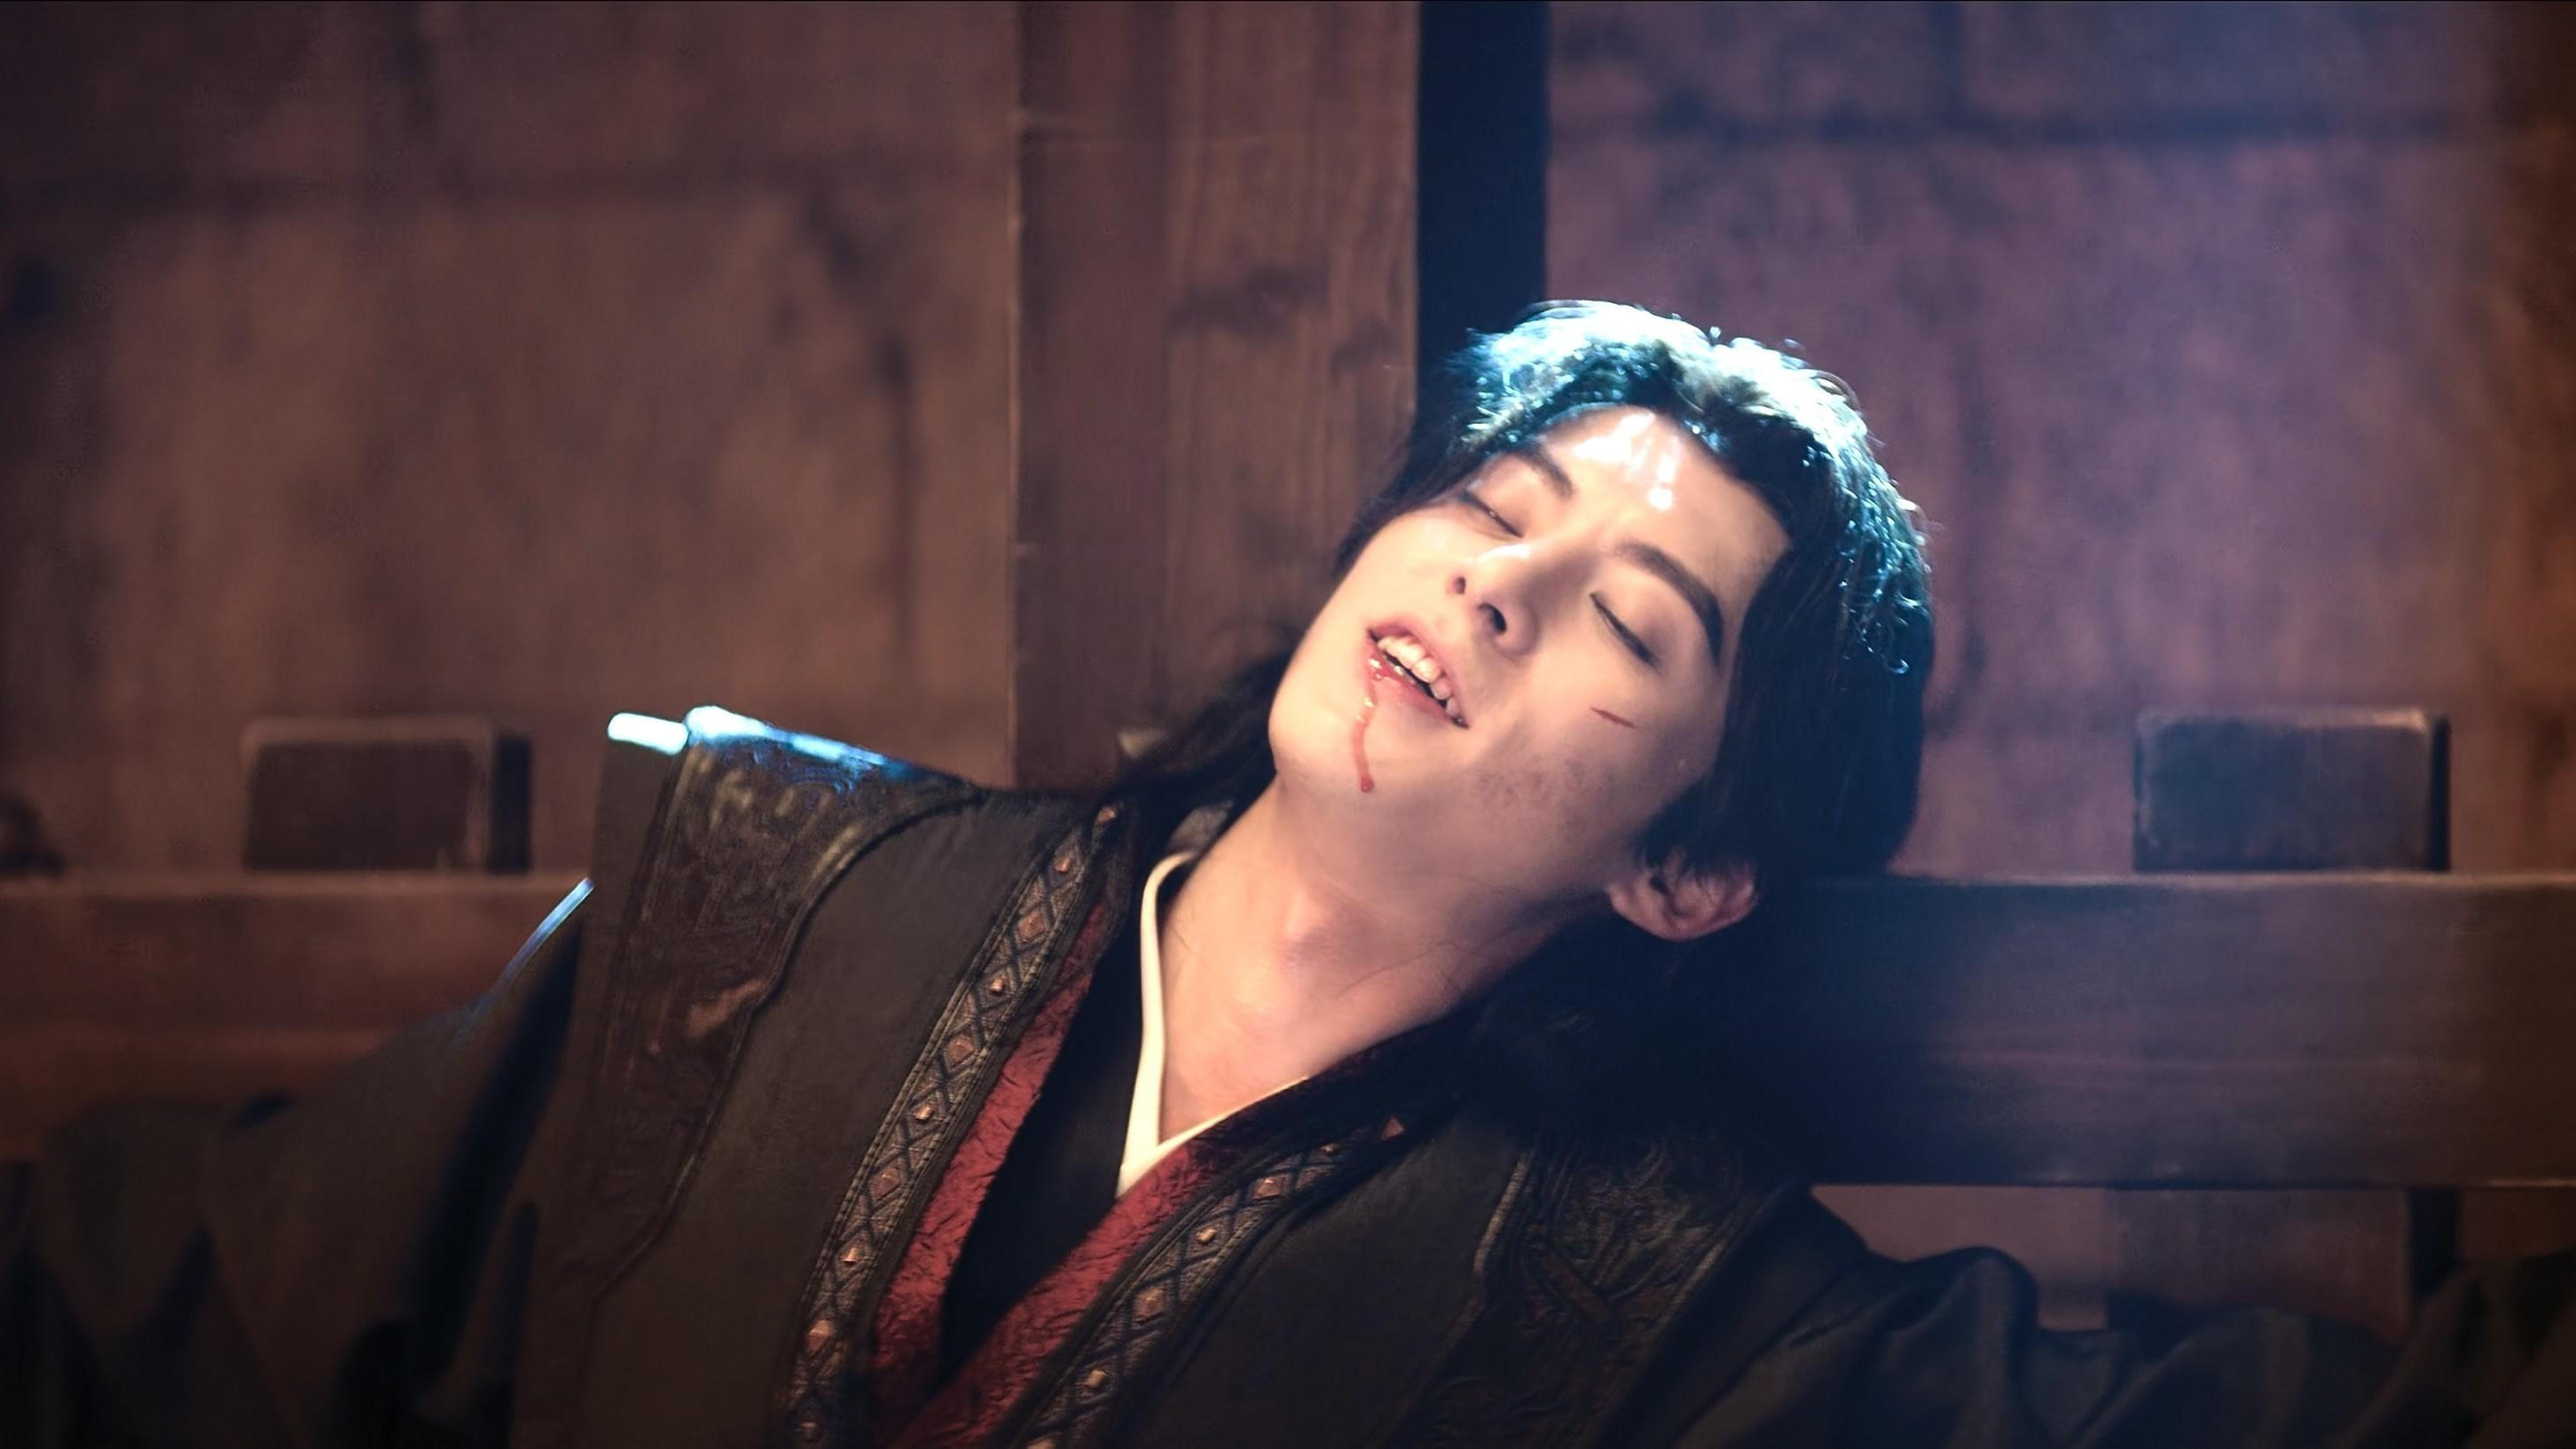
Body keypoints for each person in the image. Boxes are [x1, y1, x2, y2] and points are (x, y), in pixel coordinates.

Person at [4, 302, 2571, 1448]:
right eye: (1491, 502)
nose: (1499, 584)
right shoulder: (764, 917)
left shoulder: (1652, 1308)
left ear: (1690, 872)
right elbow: (192, 1311)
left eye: (1635, 623)